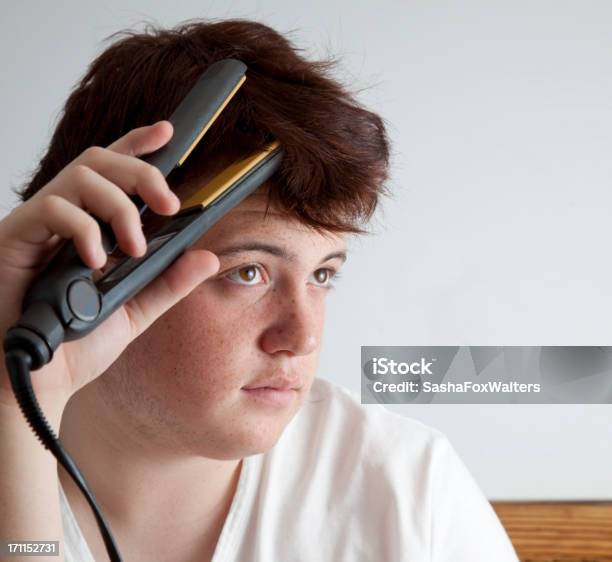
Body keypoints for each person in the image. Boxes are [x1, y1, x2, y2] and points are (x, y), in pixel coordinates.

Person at [0, 18, 519, 562]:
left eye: (323, 275)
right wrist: (18, 401)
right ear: (94, 266)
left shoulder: (408, 490)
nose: (303, 336)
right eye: (249, 272)